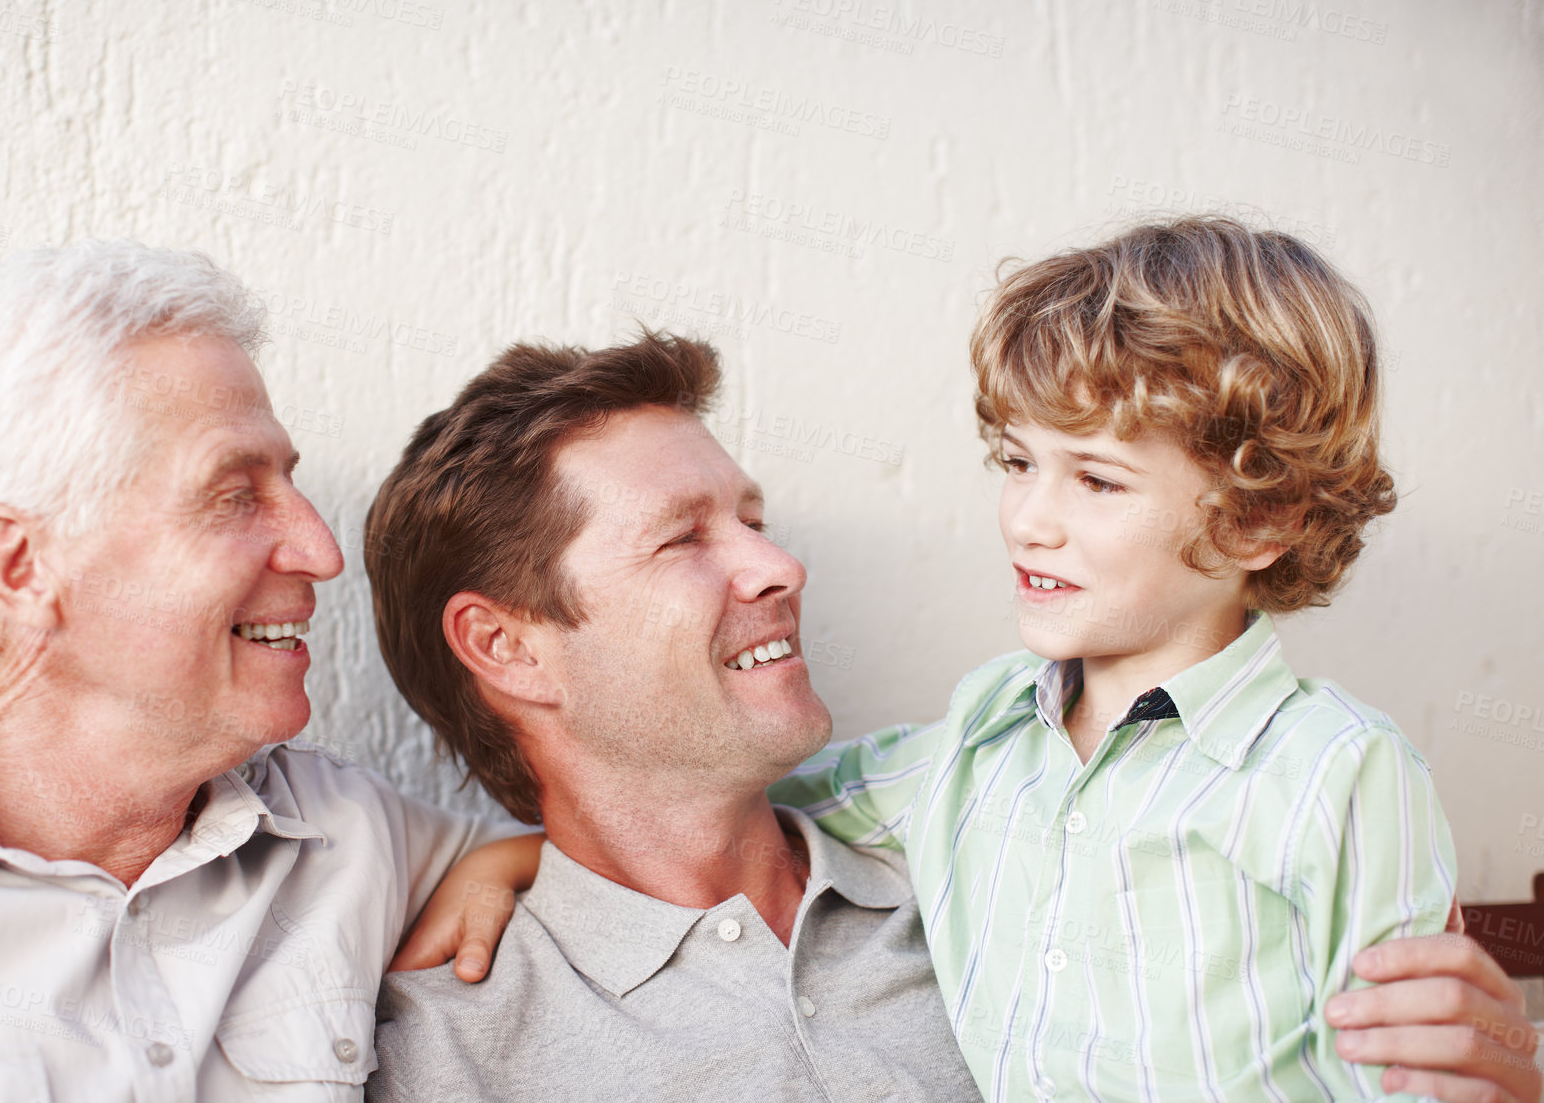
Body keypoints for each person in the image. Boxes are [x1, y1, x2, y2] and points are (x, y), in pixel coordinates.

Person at [365, 330, 1541, 1102]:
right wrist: (530, 860)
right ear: (506, 646)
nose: (780, 564)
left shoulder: (1001, 858)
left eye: (755, 517)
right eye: (686, 535)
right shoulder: (452, 1043)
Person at [769, 217, 1542, 1101]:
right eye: (1018, 461)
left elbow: (1409, 1078)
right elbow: (775, 798)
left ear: (1258, 520)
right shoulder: (982, 730)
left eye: (1096, 479)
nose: (1027, 520)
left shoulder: (1343, 772)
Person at [0, 241, 532, 1099]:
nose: (322, 551)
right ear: (21, 568)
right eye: (234, 494)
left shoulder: (350, 837)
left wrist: (506, 863)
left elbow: (622, 861)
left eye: (287, 482)